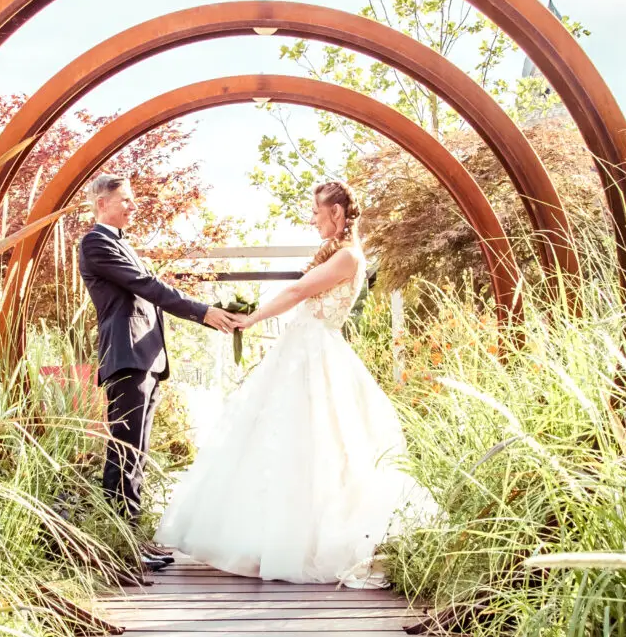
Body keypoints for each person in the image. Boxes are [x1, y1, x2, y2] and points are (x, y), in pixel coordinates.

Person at [156, 181, 435, 586]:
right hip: (303, 349)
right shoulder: (337, 255)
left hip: (316, 353)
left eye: (317, 213)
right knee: (283, 438)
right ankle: (267, 534)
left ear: (336, 214)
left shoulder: (348, 257)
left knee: (321, 441)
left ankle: (304, 540)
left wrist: (250, 319)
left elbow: (300, 289)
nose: (313, 219)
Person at [77, 173, 241, 568]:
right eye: (125, 200)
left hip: (146, 359)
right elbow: (149, 287)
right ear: (102, 203)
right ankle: (122, 545)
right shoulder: (95, 243)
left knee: (137, 452)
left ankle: (133, 537)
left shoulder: (122, 243)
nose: (132, 206)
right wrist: (203, 312)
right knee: (124, 450)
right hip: (126, 356)